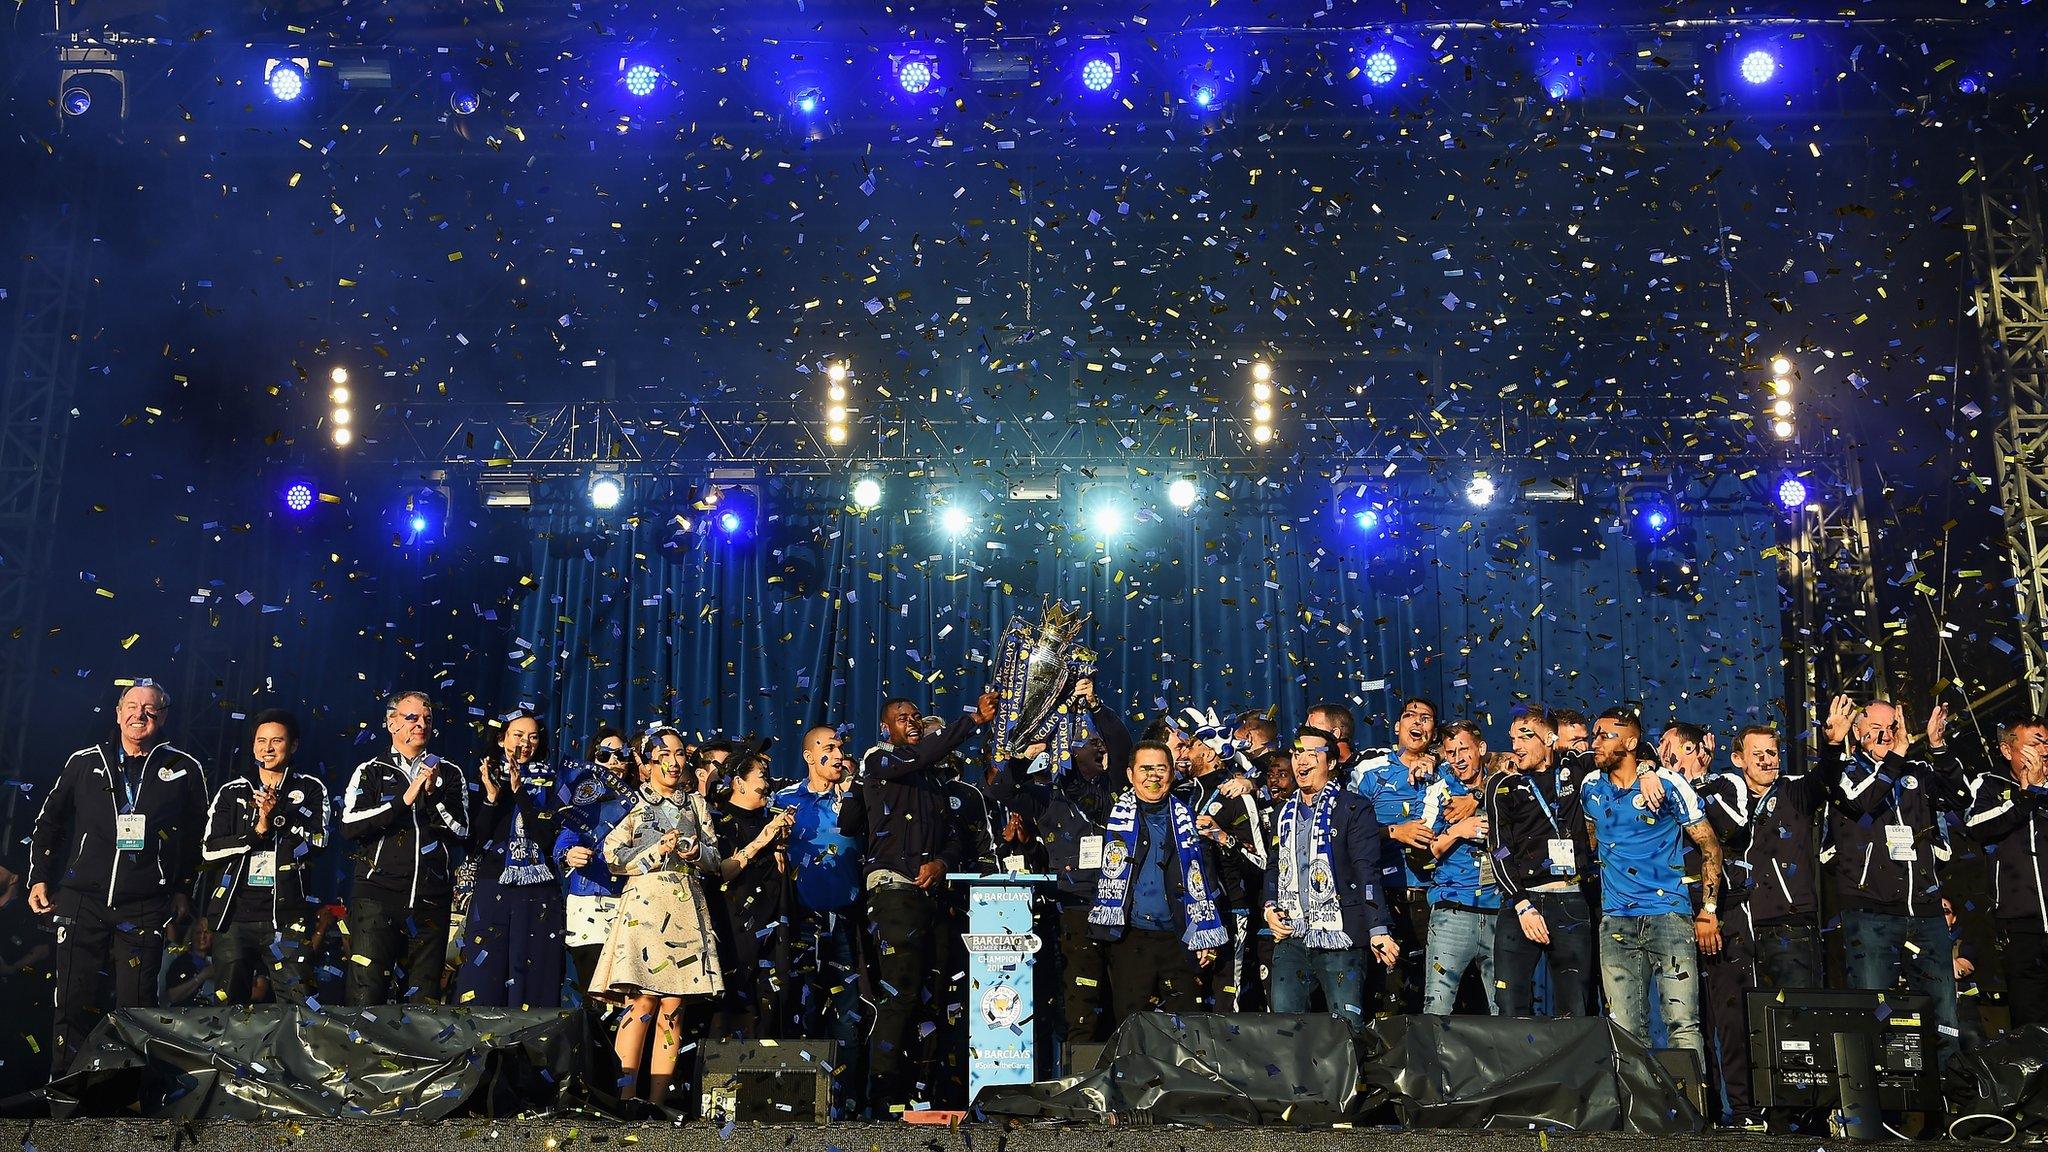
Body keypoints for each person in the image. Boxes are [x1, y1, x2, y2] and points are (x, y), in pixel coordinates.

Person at [29, 681, 210, 1072]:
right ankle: (65, 1091)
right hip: (82, 899)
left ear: (162, 717)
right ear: (117, 711)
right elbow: (50, 823)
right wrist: (40, 877)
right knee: (72, 1000)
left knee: (137, 1007)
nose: (139, 714)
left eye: (149, 708)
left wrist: (182, 888)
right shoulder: (84, 761)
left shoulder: (183, 768)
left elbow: (197, 839)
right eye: (131, 705)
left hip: (145, 904)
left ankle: (129, 1100)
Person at [839, 689, 998, 1112]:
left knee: (937, 994)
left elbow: (953, 839)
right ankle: (882, 1095)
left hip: (934, 898)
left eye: (915, 716)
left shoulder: (932, 783)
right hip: (893, 894)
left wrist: (941, 866)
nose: (911, 721)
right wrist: (972, 723)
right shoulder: (879, 760)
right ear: (886, 727)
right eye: (902, 716)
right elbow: (848, 822)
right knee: (901, 993)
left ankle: (930, 1091)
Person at [983, 678, 1130, 1062]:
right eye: (1088, 741)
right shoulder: (1048, 796)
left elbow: (1121, 746)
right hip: (1076, 906)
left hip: (1122, 902)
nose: (1099, 745)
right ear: (1067, 750)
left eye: (1099, 742)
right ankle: (1082, 1081)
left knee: (1127, 996)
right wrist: (1021, 753)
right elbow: (1000, 791)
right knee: (1081, 997)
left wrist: (1096, 705)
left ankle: (1129, 1080)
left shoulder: (1116, 788)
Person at [1828, 697, 1966, 1068]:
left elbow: (1960, 798)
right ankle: (1880, 1114)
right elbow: (1860, 804)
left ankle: (1946, 1110)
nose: (1886, 735)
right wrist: (1895, 758)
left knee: (1942, 1017)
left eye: (1892, 727)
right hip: (1872, 913)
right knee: (1877, 1013)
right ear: (1857, 732)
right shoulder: (1846, 771)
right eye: (1875, 727)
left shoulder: (1916, 771)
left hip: (1925, 912)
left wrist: (1937, 747)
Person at [589, 733, 724, 1106]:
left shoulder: (696, 804)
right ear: (647, 762)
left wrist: (697, 854)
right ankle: (625, 1095)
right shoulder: (630, 803)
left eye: (680, 754)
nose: (674, 762)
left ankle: (658, 1100)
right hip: (645, 906)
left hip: (684, 904)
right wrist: (653, 850)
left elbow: (715, 860)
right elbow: (612, 855)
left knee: (673, 1005)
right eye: (664, 754)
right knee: (642, 1001)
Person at [1581, 708, 1719, 1067]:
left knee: (1682, 1024)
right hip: (1616, 922)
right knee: (1624, 1028)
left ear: (1629, 742)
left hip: (1669, 918)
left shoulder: (1670, 785)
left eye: (1605, 736)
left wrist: (1709, 909)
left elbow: (1710, 846)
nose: (1595, 742)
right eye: (1595, 734)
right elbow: (1591, 840)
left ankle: (1691, 1116)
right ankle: (1640, 1117)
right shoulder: (1590, 786)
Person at [1264, 726, 1398, 1035]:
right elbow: (1273, 868)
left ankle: (1351, 1084)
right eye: (1297, 753)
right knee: (1284, 1025)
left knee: (1346, 1025)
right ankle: (1295, 1084)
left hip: (1340, 933)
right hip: (1292, 933)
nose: (1302, 761)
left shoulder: (1354, 807)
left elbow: (1367, 870)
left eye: (1313, 753)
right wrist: (1270, 907)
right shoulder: (1281, 813)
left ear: (1332, 763)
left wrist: (1378, 929)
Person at [339, 690, 471, 1006]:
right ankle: (362, 1055)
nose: (420, 725)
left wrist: (433, 796)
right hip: (377, 897)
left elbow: (463, 832)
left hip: (430, 900)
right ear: (391, 722)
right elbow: (350, 825)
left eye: (427, 718)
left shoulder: (449, 773)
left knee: (423, 1001)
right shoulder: (370, 769)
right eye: (411, 718)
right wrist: (405, 799)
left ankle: (414, 1057)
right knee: (367, 994)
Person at [1088, 740, 1227, 1021]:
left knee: (1186, 1031)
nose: (1153, 776)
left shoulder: (1190, 817)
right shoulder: (1109, 812)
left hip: (1180, 938)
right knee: (1132, 1028)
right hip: (1130, 938)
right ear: (1130, 775)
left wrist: (1206, 933)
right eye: (1145, 768)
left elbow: (1208, 881)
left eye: (1161, 769)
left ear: (1172, 774)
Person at [198, 708, 329, 1005]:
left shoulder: (309, 789)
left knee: (299, 1007)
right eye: (261, 741)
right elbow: (209, 848)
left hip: (287, 919)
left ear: (293, 745)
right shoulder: (233, 792)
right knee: (228, 1009)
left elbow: (320, 842)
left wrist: (276, 815)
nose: (267, 748)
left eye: (276, 741)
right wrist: (257, 832)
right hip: (234, 917)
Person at [773, 725, 867, 1113]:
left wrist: (851, 795)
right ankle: (799, 1101)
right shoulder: (784, 799)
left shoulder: (859, 797)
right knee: (803, 1006)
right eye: (829, 747)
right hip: (800, 919)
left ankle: (844, 1104)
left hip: (847, 918)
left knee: (847, 1013)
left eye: (841, 746)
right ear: (810, 757)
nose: (839, 752)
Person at [1485, 703, 1598, 1017]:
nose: (1516, 747)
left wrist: (1645, 773)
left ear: (1550, 739)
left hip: (1571, 902)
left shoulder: (1574, 767)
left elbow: (1625, 754)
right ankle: (1519, 1067)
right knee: (1509, 1005)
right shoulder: (1502, 784)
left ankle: (1570, 1067)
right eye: (1513, 740)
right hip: (1522, 904)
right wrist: (1522, 904)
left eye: (1525, 738)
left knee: (1575, 1007)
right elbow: (1498, 849)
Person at [459, 709, 566, 1008]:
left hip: (538, 891)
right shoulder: (482, 776)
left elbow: (546, 838)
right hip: (494, 885)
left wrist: (520, 793)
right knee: (485, 975)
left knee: (532, 978)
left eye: (532, 737)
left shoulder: (550, 780)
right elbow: (474, 841)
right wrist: (493, 797)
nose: (525, 743)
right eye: (518, 735)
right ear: (501, 738)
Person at [1347, 697, 1440, 1013]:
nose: (1417, 721)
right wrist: (1393, 832)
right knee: (1389, 993)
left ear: (1434, 731)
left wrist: (1441, 764)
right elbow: (1346, 831)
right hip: (1387, 898)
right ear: (1397, 727)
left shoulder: (1447, 771)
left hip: (1438, 899)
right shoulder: (1370, 771)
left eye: (1426, 717)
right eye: (1409, 716)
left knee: (1436, 994)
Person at [1173, 706, 1266, 1011]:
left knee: (1228, 1003)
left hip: (1230, 911)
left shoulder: (1237, 796)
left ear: (1212, 753)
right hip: (1186, 912)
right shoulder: (1181, 794)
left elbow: (1261, 864)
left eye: (1195, 745)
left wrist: (1222, 837)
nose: (1186, 750)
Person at [1962, 713, 2048, 1027]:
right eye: (2033, 745)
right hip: (2020, 921)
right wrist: (2026, 797)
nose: (2042, 752)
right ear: (2007, 750)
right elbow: (1976, 825)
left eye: (2046, 744)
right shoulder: (1989, 784)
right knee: (2030, 1018)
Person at [710, 745, 796, 1039]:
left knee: (777, 998)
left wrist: (782, 846)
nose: (767, 783)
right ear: (739, 783)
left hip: (775, 922)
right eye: (760, 776)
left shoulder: (768, 820)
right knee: (739, 1003)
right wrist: (762, 840)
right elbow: (722, 871)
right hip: (736, 925)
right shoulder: (719, 821)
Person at [555, 726, 644, 996]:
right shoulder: (585, 801)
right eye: (604, 755)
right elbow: (564, 840)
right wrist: (569, 854)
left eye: (620, 754)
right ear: (592, 760)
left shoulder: (642, 801)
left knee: (630, 993)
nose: (613, 761)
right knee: (595, 992)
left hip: (630, 904)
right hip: (589, 904)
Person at [1420, 720, 1499, 1015]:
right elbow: (1428, 850)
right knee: (1438, 1004)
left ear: (1481, 748)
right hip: (1452, 911)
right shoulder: (1438, 789)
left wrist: (1480, 798)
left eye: (1464, 749)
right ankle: (1433, 1062)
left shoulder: (1501, 783)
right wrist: (1459, 830)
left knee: (1503, 1006)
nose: (1459, 758)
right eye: (1451, 752)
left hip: (1499, 910)